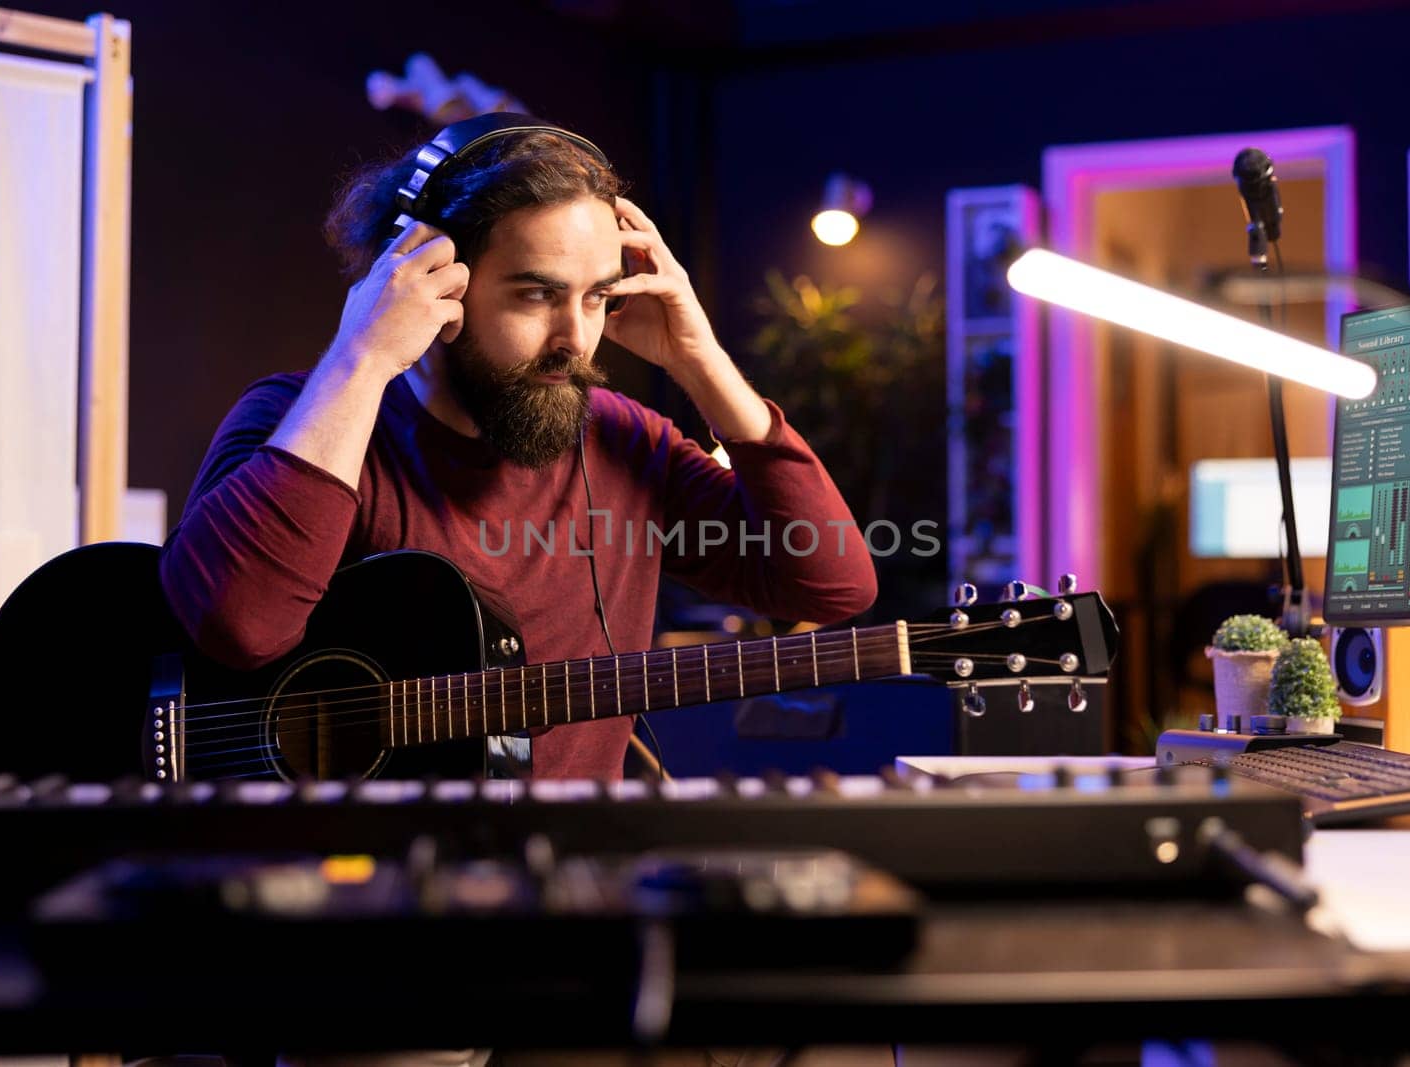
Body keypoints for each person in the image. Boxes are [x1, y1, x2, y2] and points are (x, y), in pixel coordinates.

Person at [157, 116, 877, 782]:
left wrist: (700, 361)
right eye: (537, 295)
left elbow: (829, 586)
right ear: (430, 274)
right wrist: (360, 357)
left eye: (596, 297)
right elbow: (237, 626)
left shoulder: (625, 441)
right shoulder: (299, 416)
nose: (576, 337)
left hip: (562, 886)